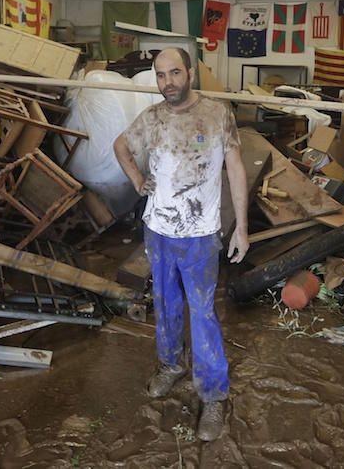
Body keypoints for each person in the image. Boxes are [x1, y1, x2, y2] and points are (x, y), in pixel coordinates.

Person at [113, 47, 249, 441]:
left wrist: (241, 227)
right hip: (158, 230)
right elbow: (121, 146)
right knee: (166, 305)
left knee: (202, 313)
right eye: (160, 75)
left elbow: (236, 168)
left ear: (190, 72)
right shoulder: (152, 118)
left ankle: (213, 395)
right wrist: (138, 181)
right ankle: (171, 366)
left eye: (174, 73)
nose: (167, 82)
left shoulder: (217, 113)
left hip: (200, 235)